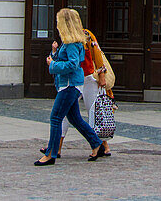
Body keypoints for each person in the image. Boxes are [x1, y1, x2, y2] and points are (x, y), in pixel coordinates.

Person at [34, 8, 104, 166]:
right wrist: (54, 55)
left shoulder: (71, 43)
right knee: (75, 118)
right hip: (72, 84)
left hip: (69, 85)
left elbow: (73, 65)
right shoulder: (73, 41)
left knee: (56, 117)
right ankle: (96, 143)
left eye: (59, 22)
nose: (57, 25)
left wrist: (53, 64)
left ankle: (50, 154)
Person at [45, 26, 114, 158]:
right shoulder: (67, 39)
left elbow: (96, 54)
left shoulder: (84, 36)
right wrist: (54, 53)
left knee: (93, 111)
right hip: (73, 81)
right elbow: (62, 59)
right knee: (71, 116)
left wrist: (102, 75)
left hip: (86, 79)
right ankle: (58, 147)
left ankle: (103, 144)